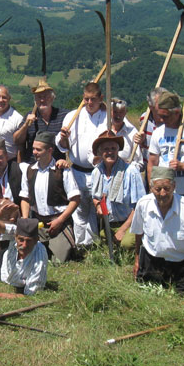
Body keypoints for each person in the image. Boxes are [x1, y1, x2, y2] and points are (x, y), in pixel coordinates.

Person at [131, 166, 184, 296]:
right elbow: (138, 234)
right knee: (147, 301)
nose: (163, 194)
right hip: (151, 262)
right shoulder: (143, 204)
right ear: (151, 187)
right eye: (158, 189)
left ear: (174, 186)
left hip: (182, 265)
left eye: (167, 188)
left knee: (180, 302)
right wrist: (137, 260)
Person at [56, 82, 108, 245]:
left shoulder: (108, 117)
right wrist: (64, 138)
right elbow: (62, 145)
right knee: (79, 207)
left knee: (97, 207)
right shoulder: (73, 116)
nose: (89, 103)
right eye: (86, 99)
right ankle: (80, 244)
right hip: (77, 169)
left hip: (98, 171)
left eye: (93, 99)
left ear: (101, 98)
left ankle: (95, 242)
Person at [20, 132, 80, 262]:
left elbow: (75, 200)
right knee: (31, 257)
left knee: (57, 261)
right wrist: (26, 220)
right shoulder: (29, 170)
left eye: (38, 149)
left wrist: (60, 220)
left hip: (59, 223)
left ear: (50, 151)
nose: (34, 152)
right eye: (33, 148)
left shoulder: (62, 170)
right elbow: (24, 198)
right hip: (39, 224)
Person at [90, 130, 146, 250]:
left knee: (126, 244)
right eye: (105, 149)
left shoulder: (131, 172)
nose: (110, 152)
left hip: (131, 222)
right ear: (99, 152)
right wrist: (98, 207)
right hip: (109, 223)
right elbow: (95, 197)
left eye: (113, 148)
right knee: (101, 242)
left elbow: (140, 206)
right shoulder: (97, 172)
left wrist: (122, 230)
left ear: (118, 150)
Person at [0, 218, 48, 299]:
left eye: (29, 241)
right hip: (5, 259)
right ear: (15, 236)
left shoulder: (39, 259)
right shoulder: (15, 231)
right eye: (21, 240)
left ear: (36, 240)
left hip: (13, 277)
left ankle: (3, 277)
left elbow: (31, 296)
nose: (24, 245)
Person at [13, 79, 66, 164]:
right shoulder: (29, 116)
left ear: (52, 98)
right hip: (33, 167)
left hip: (56, 167)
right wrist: (26, 125)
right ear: (35, 101)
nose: (42, 100)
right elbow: (16, 140)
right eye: (39, 97)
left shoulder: (63, 116)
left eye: (45, 97)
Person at [133, 87, 167, 161]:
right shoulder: (144, 119)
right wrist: (140, 141)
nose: (164, 107)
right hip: (149, 166)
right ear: (150, 106)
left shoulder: (171, 120)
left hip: (167, 167)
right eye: (160, 105)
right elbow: (142, 145)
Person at [109, 99, 144, 170]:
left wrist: (129, 167)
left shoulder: (132, 132)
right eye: (115, 112)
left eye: (121, 112)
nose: (118, 116)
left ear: (125, 113)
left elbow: (139, 162)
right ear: (110, 112)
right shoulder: (104, 130)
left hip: (125, 174)